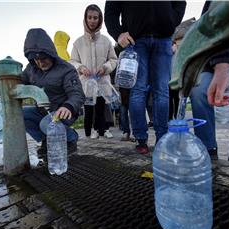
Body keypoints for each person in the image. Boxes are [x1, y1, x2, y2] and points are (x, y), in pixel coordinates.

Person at [105, 1, 186, 154]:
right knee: (137, 91)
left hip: (163, 39)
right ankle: (141, 139)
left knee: (162, 91)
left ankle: (162, 139)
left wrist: (170, 21)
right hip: (135, 40)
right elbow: (111, 11)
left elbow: (180, 3)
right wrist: (118, 33)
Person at [21, 28, 85, 158]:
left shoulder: (66, 69)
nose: (40, 62)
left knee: (47, 124)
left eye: (43, 58)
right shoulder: (31, 68)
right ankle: (46, 140)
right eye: (36, 59)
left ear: (51, 53)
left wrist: (68, 106)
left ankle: (71, 138)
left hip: (64, 112)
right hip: (42, 111)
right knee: (20, 114)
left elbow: (77, 94)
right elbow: (16, 80)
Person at [190, 1, 229, 161]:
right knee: (199, 91)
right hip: (215, 59)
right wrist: (222, 63)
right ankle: (207, 150)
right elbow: (210, 26)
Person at [70, 4, 117, 139]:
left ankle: (101, 131)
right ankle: (88, 133)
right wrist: (81, 68)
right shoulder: (78, 43)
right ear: (85, 19)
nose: (92, 20)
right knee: (88, 109)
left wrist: (106, 68)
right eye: (89, 17)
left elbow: (114, 59)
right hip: (86, 83)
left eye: (95, 18)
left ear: (100, 20)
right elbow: (72, 61)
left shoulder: (106, 41)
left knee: (102, 108)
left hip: (102, 82)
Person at [170, 17, 196, 120]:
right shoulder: (171, 48)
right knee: (170, 99)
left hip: (178, 77)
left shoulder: (184, 50)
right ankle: (170, 119)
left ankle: (178, 118)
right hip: (170, 77)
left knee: (178, 99)